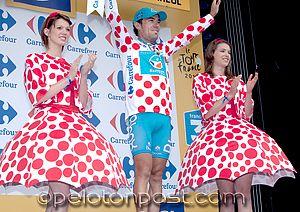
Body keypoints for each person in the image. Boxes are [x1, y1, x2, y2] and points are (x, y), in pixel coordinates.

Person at [0, 12, 128, 212]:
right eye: (59, 28)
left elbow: (83, 104)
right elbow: (39, 96)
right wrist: (68, 79)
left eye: (67, 29)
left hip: (73, 127)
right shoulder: (35, 60)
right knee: (61, 196)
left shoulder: (72, 67)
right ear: (47, 31)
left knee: (57, 197)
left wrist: (83, 75)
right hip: (49, 128)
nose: (64, 32)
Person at [104, 0, 221, 211]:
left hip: (164, 119)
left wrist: (210, 17)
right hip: (140, 117)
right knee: (143, 171)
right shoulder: (128, 44)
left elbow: (187, 35)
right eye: (151, 21)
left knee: (157, 175)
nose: (156, 24)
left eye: (158, 21)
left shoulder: (164, 49)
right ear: (138, 25)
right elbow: (113, 17)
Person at [176, 38, 296, 212]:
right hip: (216, 138)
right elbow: (207, 112)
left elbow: (246, 115)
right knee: (227, 197)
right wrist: (229, 95)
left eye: (229, 52)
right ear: (212, 54)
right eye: (223, 51)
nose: (227, 55)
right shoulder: (201, 80)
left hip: (240, 137)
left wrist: (247, 93)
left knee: (244, 193)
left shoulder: (236, 81)